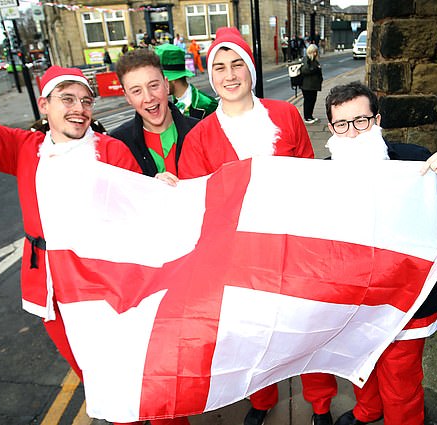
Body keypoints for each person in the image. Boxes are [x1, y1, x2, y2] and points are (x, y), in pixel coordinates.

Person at [0, 12, 141, 389]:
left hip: (107, 286)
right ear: (44, 106)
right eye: (67, 99)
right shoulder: (25, 150)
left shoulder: (113, 151)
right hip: (51, 287)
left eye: (86, 101)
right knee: (94, 378)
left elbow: (142, 217)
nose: (79, 108)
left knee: (134, 371)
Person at [300, 81, 437, 425]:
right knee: (360, 366)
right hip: (352, 301)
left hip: (407, 302)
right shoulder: (321, 176)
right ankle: (368, 411)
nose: (352, 133)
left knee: (401, 383)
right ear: (332, 129)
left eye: (361, 121)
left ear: (377, 120)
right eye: (342, 124)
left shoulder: (415, 162)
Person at [177, 27, 314, 425]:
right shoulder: (200, 136)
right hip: (238, 258)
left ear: (251, 70)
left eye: (237, 64)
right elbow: (193, 202)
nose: (229, 74)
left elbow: (307, 174)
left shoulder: (286, 114)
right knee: (251, 335)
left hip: (291, 246)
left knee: (305, 328)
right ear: (211, 76)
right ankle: (261, 398)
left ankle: (320, 403)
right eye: (219, 67)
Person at [111, 48, 199, 180]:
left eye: (153, 86)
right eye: (136, 91)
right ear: (127, 98)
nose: (148, 97)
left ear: (166, 85)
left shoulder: (199, 131)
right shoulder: (118, 143)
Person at [155, 43, 217, 120]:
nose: (158, 87)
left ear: (172, 79)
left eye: (160, 81)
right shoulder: (170, 104)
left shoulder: (207, 105)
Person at [301, 43, 323, 124]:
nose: (315, 53)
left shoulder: (314, 60)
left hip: (313, 85)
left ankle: (310, 116)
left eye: (316, 52)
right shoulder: (306, 59)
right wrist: (316, 69)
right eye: (314, 52)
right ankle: (307, 117)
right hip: (307, 86)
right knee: (308, 101)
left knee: (312, 101)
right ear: (310, 51)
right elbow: (305, 70)